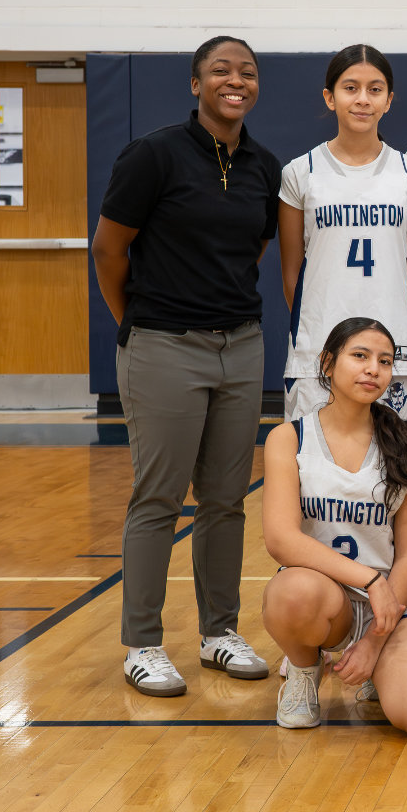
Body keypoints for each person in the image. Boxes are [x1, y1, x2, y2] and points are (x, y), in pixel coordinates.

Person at [91, 34, 279, 697]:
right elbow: (109, 250)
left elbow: (251, 250)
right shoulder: (155, 155)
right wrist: (138, 325)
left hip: (241, 345)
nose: (236, 80)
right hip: (163, 344)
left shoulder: (263, 164)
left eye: (248, 72)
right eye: (221, 71)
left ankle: (219, 633)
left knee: (227, 503)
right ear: (196, 84)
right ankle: (142, 643)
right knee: (158, 498)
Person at [259, 318, 407, 737]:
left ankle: (375, 670)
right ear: (328, 363)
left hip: (394, 601)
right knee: (291, 592)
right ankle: (304, 671)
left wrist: (375, 642)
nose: (373, 369)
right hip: (327, 597)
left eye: (384, 362)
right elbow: (281, 540)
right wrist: (369, 580)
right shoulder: (289, 438)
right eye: (360, 356)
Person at [278, 45, 407, 423]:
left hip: (392, 343)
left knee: (392, 468)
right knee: (314, 469)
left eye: (375, 89)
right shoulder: (300, 172)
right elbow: (291, 273)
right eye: (351, 88)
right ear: (330, 97)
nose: (363, 99)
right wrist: (315, 328)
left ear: (389, 100)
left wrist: (402, 324)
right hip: (319, 346)